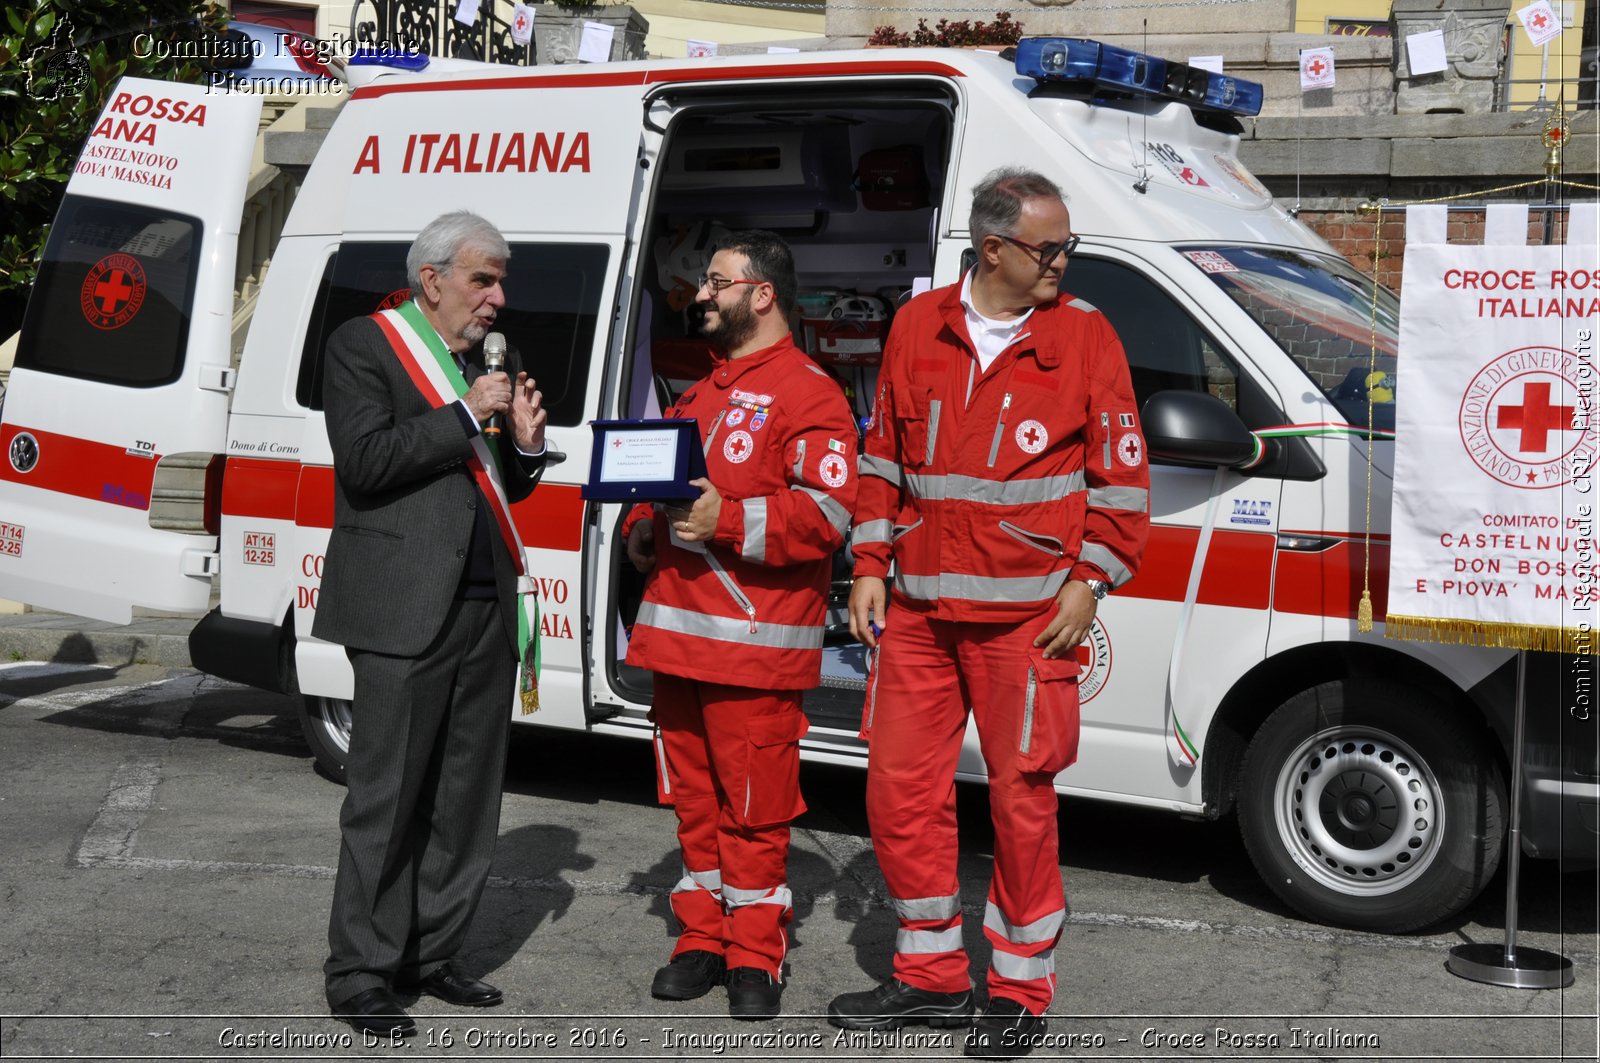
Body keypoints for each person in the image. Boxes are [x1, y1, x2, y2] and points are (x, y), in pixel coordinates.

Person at [827, 169, 1150, 1059]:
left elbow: (1122, 483)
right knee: (898, 793)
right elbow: (883, 455)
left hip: (1028, 623)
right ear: (994, 248)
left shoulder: (1086, 335)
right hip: (923, 615)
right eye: (1052, 248)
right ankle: (931, 975)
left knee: (1022, 803)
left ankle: (1016, 987)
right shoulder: (914, 325)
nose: (1064, 262)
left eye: (1068, 246)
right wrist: (869, 560)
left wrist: (1091, 580)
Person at [313, 210, 548, 1038]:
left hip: (485, 601)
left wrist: (522, 445)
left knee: (465, 796)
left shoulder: (494, 361)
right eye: (484, 278)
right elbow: (368, 462)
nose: (498, 297)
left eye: (502, 279)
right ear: (433, 279)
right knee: (388, 795)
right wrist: (463, 414)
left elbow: (501, 488)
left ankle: (433, 949)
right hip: (402, 605)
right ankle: (362, 969)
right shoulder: (364, 345)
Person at [622, 230, 857, 1020]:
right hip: (678, 641)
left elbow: (825, 517)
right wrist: (645, 530)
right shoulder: (700, 391)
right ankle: (700, 939)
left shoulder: (811, 391)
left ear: (761, 293)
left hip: (754, 651)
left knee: (754, 813)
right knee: (692, 804)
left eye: (715, 281)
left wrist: (726, 518)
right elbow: (667, 498)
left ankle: (756, 951)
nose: (700, 293)